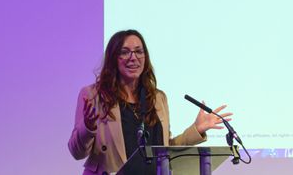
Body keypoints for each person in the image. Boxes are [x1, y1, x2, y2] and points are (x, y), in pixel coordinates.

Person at [68, 29, 232, 174]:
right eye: (125, 52)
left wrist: (196, 129)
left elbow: (165, 149)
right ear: (113, 58)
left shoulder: (157, 98)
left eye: (139, 51)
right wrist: (88, 128)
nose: (133, 58)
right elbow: (77, 152)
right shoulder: (94, 95)